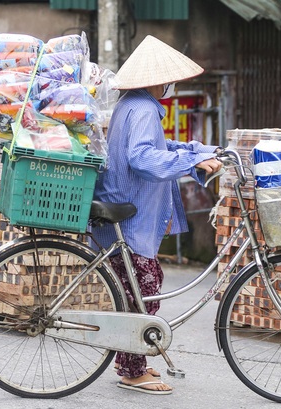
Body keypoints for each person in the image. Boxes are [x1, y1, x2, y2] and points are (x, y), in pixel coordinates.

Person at [92, 35, 223, 395]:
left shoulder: (133, 104)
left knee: (141, 287)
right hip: (128, 212)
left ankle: (131, 362)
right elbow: (144, 158)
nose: (171, 85)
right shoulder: (144, 108)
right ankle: (132, 371)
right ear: (154, 80)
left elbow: (161, 148)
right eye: (168, 79)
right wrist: (190, 159)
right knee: (144, 289)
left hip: (127, 207)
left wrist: (199, 153)